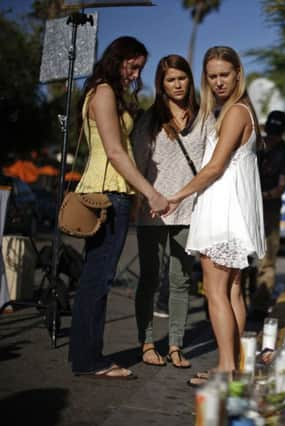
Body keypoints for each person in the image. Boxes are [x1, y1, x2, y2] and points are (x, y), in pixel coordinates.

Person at [69, 36, 169, 379]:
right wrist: (150, 192)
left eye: (140, 67)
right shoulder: (105, 92)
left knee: (94, 278)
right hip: (108, 192)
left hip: (108, 190)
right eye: (132, 65)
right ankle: (88, 360)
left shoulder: (101, 90)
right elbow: (115, 152)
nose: (135, 73)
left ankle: (85, 356)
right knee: (97, 280)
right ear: (117, 58)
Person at [163, 46, 265, 382]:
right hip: (232, 211)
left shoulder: (235, 112)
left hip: (223, 211)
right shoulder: (238, 110)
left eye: (224, 74)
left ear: (238, 73)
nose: (219, 81)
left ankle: (225, 367)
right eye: (212, 76)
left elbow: (216, 166)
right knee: (232, 291)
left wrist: (176, 195)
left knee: (217, 291)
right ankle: (233, 366)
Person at [132, 54, 205, 368]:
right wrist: (143, 197)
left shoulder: (204, 119)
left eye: (182, 77)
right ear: (161, 85)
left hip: (189, 211)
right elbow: (137, 164)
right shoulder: (150, 119)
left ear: (190, 79)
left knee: (181, 281)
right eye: (170, 79)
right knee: (149, 278)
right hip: (153, 209)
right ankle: (147, 342)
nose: (177, 84)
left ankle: (176, 344)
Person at [247, 110, 285, 319]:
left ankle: (259, 305)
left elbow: (281, 186)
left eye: (277, 134)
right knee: (241, 255)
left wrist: (262, 196)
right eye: (270, 132)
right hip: (245, 207)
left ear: (283, 133)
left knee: (267, 259)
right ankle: (237, 297)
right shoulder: (254, 145)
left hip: (270, 211)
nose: (272, 138)